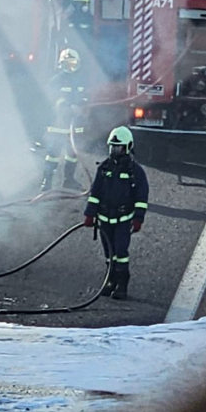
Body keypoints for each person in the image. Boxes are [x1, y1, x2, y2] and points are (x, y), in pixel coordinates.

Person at [83, 126, 149, 300]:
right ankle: (110, 280)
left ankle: (122, 283)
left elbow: (141, 196)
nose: (115, 151)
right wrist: (90, 213)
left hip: (123, 220)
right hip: (104, 220)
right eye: (112, 147)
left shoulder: (135, 171)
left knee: (121, 252)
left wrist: (138, 218)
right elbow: (95, 193)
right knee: (108, 253)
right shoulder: (104, 168)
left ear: (128, 148)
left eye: (118, 148)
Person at [39, 48, 87, 192]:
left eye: (73, 63)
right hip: (58, 126)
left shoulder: (80, 80)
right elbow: (52, 99)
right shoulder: (56, 80)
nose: (70, 67)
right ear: (61, 64)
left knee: (72, 155)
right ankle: (46, 182)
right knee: (53, 155)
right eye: (67, 64)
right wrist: (68, 106)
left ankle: (69, 180)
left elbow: (84, 97)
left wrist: (82, 106)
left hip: (75, 126)